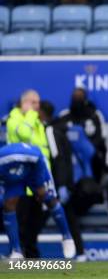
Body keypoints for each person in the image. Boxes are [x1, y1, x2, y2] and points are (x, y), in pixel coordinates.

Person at [0, 143, 76, 259]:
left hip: (34, 167)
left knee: (47, 197)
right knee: (8, 204)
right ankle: (16, 251)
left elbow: (37, 156)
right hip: (13, 175)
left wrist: (39, 185)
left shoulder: (12, 156)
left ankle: (67, 237)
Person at [6, 90, 52, 258]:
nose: (37, 106)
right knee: (22, 222)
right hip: (20, 180)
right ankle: (18, 254)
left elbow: (44, 151)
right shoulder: (14, 118)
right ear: (23, 103)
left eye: (38, 103)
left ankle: (30, 255)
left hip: (38, 180)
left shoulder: (38, 122)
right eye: (33, 102)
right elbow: (24, 135)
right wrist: (31, 114)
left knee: (35, 222)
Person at [40, 100, 87, 261]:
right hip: (56, 183)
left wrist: (61, 185)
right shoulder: (54, 129)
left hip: (55, 184)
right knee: (65, 218)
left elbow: (59, 159)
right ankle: (79, 252)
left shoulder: (51, 130)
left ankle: (80, 253)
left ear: (41, 113)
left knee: (67, 218)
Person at [59, 88, 107, 181]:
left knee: (96, 156)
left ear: (85, 99)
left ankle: (94, 185)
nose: (77, 99)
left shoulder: (95, 115)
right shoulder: (64, 115)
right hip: (69, 153)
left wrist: (88, 151)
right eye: (75, 97)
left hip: (90, 154)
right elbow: (59, 137)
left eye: (80, 97)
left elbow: (101, 137)